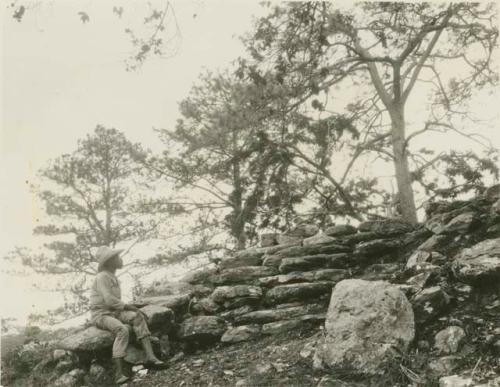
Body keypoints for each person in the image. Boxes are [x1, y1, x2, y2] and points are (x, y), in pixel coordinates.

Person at [90, 246, 164, 384]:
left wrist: (134, 308)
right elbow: (108, 299)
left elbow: (115, 302)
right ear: (109, 262)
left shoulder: (112, 276)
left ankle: (151, 357)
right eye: (116, 257)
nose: (120, 259)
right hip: (101, 314)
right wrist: (129, 306)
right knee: (122, 330)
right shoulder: (101, 277)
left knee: (137, 316)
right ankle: (119, 374)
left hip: (114, 312)